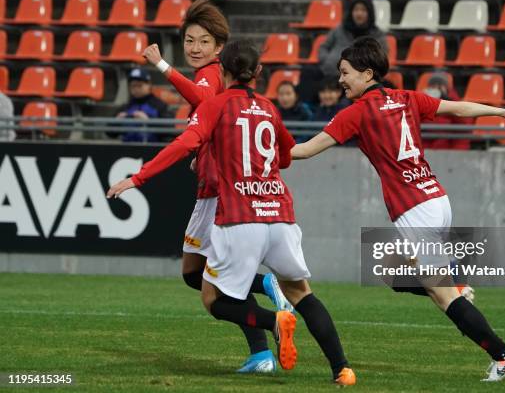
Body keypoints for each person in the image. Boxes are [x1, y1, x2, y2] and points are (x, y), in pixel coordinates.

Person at [107, 39, 356, 386]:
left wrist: (138, 177)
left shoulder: (215, 106)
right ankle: (342, 369)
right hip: (280, 215)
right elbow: (284, 157)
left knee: (213, 299)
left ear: (222, 70)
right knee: (302, 293)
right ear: (258, 72)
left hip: (240, 217)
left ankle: (273, 322)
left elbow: (183, 145)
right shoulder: (270, 108)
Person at [290, 37, 505, 382]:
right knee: (391, 272)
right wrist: (501, 112)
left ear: (367, 73)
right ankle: (454, 282)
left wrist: (261, 148)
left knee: (442, 297)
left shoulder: (356, 113)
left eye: (345, 73)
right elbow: (457, 108)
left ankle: (503, 354)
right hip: (436, 198)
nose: (341, 80)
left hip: (415, 208)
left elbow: (306, 150)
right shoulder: (407, 98)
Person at [140, 0, 290, 373]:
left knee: (199, 278)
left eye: (203, 41)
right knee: (201, 276)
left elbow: (205, 100)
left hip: (217, 195)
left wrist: (162, 66)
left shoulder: (210, 74)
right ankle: (261, 346)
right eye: (189, 40)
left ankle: (265, 309)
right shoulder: (213, 73)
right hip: (215, 186)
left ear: (219, 48)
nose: (195, 48)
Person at [298, 0, 388, 104]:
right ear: (351, 12)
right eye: (356, 10)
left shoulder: (377, 34)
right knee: (308, 72)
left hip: (356, 77)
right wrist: (326, 60)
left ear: (370, 13)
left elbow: (380, 56)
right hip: (329, 71)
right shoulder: (339, 29)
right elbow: (324, 47)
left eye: (363, 10)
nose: (359, 13)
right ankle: (308, 111)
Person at [113, 68, 171, 143]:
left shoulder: (160, 105)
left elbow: (169, 131)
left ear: (149, 85)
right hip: (127, 150)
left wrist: (148, 121)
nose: (136, 89)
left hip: (152, 150)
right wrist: (116, 122)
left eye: (140, 85)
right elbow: (110, 133)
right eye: (133, 86)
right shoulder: (126, 107)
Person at [421, 72, 473, 150]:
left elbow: (464, 123)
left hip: (449, 148)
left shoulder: (455, 102)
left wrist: (447, 101)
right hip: (426, 148)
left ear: (446, 88)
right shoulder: (424, 104)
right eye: (433, 85)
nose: (436, 88)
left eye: (440, 86)